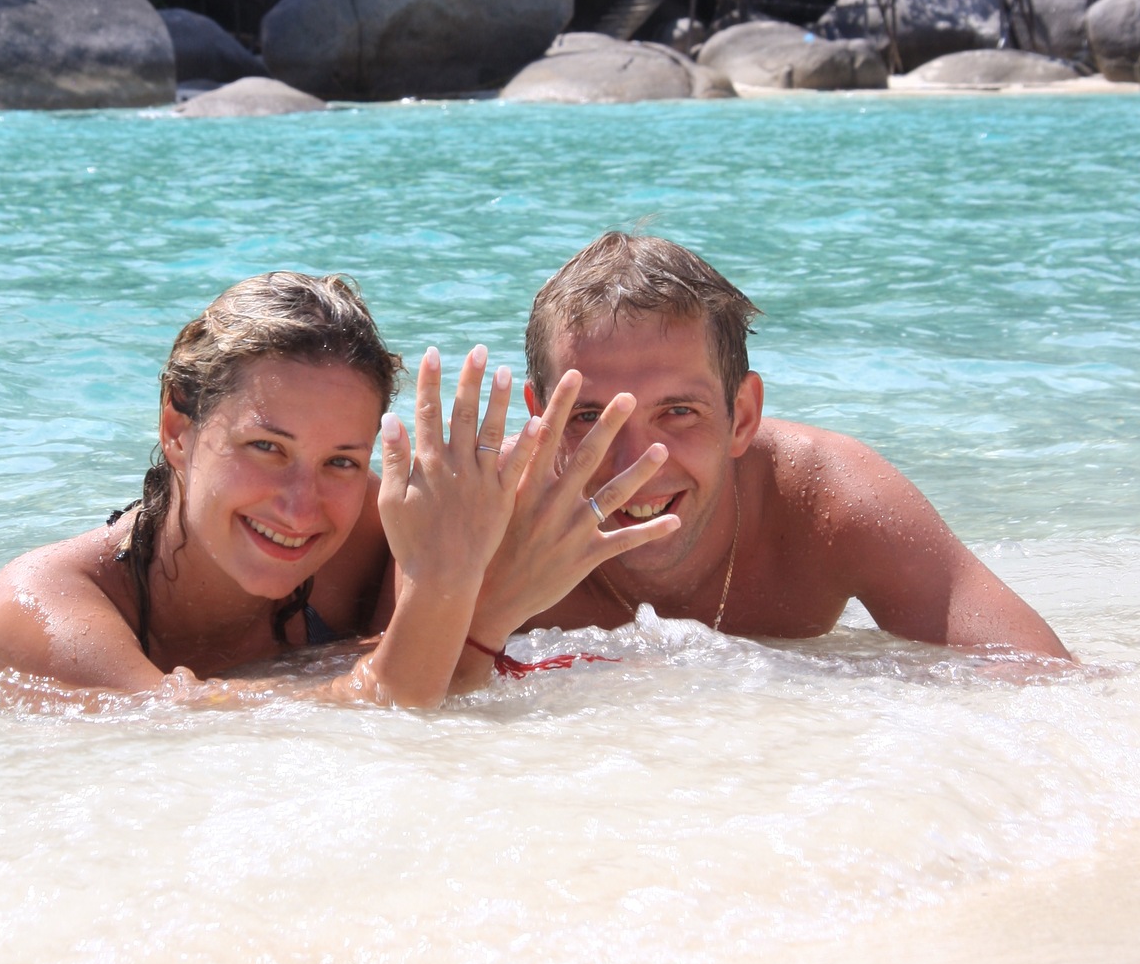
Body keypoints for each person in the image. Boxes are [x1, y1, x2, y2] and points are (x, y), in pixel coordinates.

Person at [454, 232, 1069, 684]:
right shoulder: (485, 518)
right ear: (539, 420)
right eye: (590, 418)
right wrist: (491, 611)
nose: (636, 462)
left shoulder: (825, 499)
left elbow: (1041, 677)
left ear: (742, 416)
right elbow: (406, 714)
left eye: (678, 412)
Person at [0, 270, 546, 705]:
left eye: (341, 461)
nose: (300, 507)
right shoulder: (42, 607)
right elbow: (200, 742)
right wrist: (451, 593)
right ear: (176, 429)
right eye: (267, 448)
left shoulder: (382, 533)